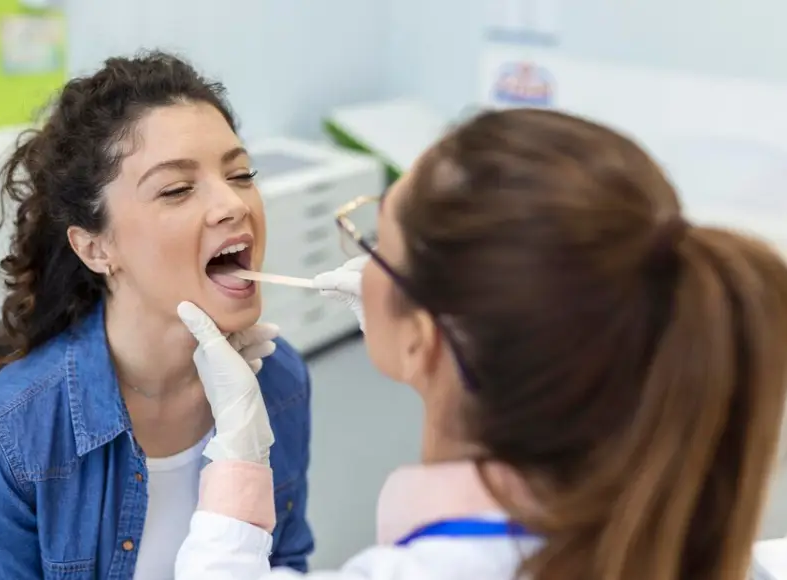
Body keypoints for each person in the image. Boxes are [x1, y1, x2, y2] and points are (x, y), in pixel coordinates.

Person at [169, 108, 787, 580]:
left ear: (425, 337)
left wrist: (237, 463)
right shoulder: (684, 532)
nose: (230, 206)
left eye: (377, 244)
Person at [0, 52, 314, 579]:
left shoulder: (279, 381)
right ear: (95, 248)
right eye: (178, 188)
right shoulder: (6, 444)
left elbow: (288, 560)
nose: (233, 203)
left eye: (240, 173)